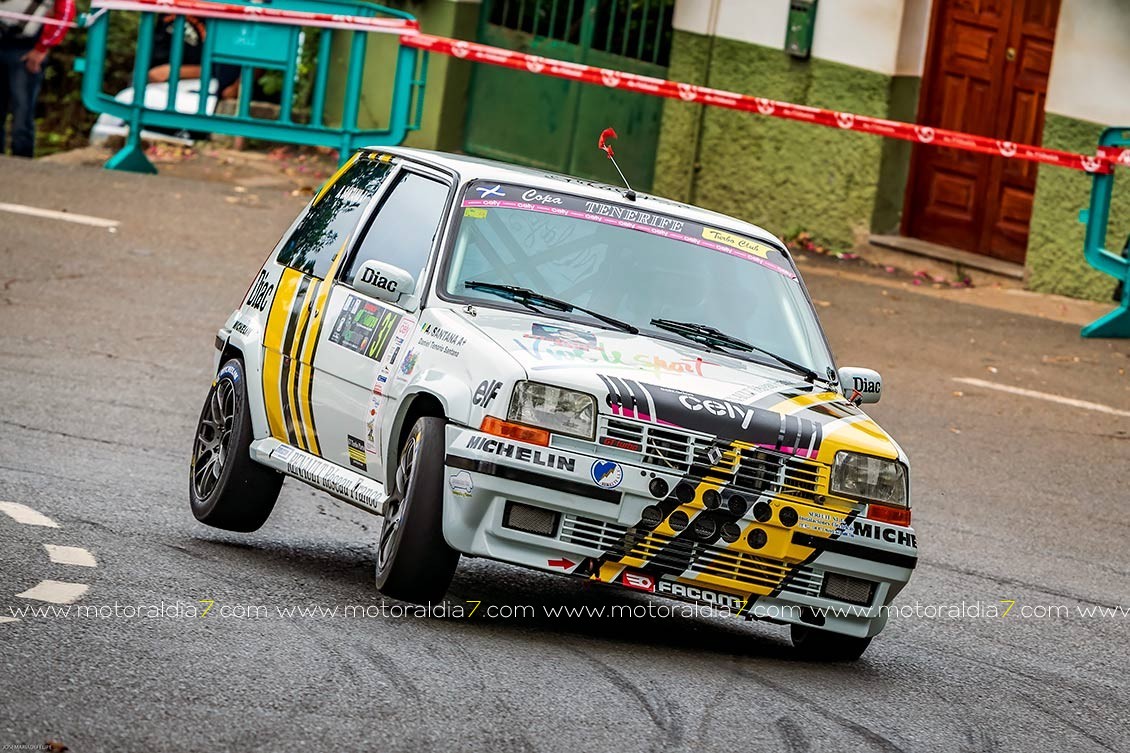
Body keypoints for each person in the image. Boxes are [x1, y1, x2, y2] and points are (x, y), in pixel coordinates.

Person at [0, 0, 76, 157]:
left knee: (23, 112)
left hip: (26, 49)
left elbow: (65, 13)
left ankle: (22, 162)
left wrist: (42, 47)